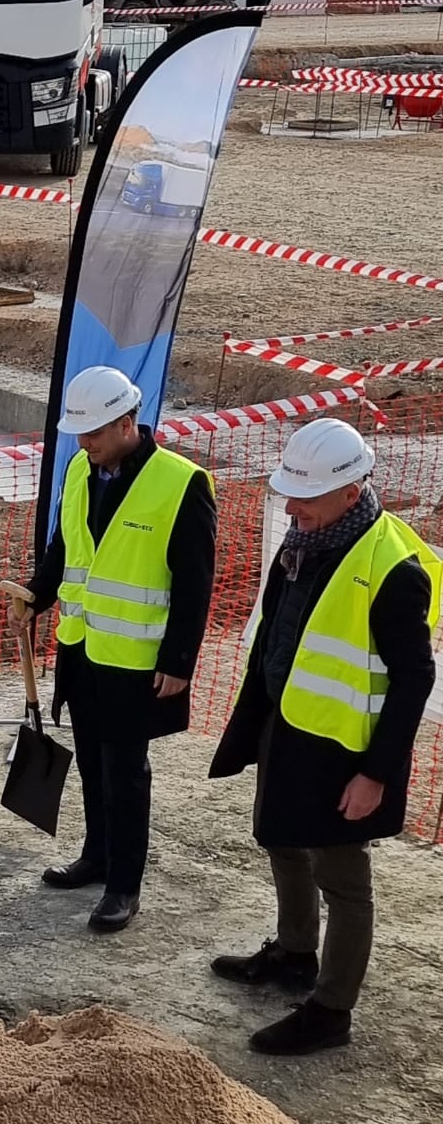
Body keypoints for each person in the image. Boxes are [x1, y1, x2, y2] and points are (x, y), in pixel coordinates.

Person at [207, 417, 437, 1055]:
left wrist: (377, 773)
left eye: (304, 496)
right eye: (289, 493)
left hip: (345, 752)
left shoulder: (392, 567)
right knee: (282, 839)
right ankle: (294, 953)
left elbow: (415, 677)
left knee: (342, 878)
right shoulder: (304, 540)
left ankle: (331, 1011)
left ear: (350, 489)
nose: (292, 506)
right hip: (290, 730)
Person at [7, 364, 216, 933]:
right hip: (81, 650)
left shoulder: (181, 484)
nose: (84, 443)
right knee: (94, 766)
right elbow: (65, 547)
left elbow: (196, 583)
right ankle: (96, 857)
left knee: (126, 773)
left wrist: (179, 662)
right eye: (79, 433)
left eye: (94, 433)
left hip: (135, 663)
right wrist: (36, 594)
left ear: (128, 423)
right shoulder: (80, 467)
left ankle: (124, 885)